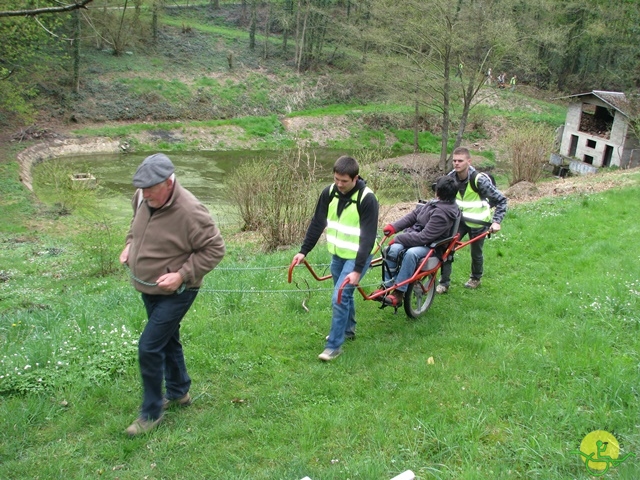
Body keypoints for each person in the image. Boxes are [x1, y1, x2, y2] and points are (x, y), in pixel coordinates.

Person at [119, 153, 226, 436]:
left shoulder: (190, 211)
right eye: (142, 190)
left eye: (150, 190)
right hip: (149, 287)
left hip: (179, 290)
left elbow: (215, 249)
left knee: (149, 346)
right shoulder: (143, 197)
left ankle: (152, 412)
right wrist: (130, 245)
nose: (144, 195)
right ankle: (179, 392)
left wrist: (181, 274)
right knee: (167, 340)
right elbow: (135, 226)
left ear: (168, 183)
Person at [290, 155, 379, 361]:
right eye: (336, 179)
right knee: (343, 294)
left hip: (359, 256)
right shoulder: (329, 193)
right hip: (337, 254)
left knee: (339, 296)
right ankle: (348, 330)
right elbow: (317, 223)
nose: (339, 184)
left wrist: (357, 270)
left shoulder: (367, 199)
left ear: (355, 178)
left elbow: (367, 237)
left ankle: (333, 346)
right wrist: (304, 251)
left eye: (344, 181)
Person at [380, 176, 460, 307]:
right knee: (392, 250)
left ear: (438, 191)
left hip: (432, 246)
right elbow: (413, 216)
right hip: (417, 238)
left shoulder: (443, 214)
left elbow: (424, 237)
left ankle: (399, 293)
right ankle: (387, 287)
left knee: (411, 254)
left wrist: (399, 238)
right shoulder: (434, 203)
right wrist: (394, 227)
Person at [436, 147, 507, 293]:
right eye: (454, 160)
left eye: (460, 161)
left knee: (476, 253)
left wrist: (496, 221)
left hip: (478, 222)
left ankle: (475, 278)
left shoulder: (479, 180)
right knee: (447, 248)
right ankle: (444, 283)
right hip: (459, 221)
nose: (456, 164)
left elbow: (501, 200)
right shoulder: (451, 178)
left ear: (469, 161)